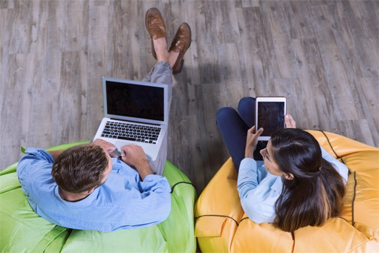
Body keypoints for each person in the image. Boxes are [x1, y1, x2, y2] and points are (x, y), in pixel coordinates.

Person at [16, 8, 192, 232]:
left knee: (137, 104)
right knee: (155, 109)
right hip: (139, 168)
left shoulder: (37, 183)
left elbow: (31, 158)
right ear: (93, 189)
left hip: (88, 167)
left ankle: (166, 61)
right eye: (108, 162)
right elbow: (161, 204)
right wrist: (141, 164)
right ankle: (165, 59)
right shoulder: (117, 210)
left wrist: (92, 148)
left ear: (56, 169)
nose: (110, 151)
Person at [216, 97, 349, 232]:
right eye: (265, 149)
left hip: (256, 171)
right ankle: (272, 149)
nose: (261, 151)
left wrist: (249, 150)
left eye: (266, 154)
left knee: (224, 115)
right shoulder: (338, 171)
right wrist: (294, 135)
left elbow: (246, 187)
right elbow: (312, 149)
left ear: (288, 176)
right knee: (246, 104)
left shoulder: (260, 205)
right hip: (280, 156)